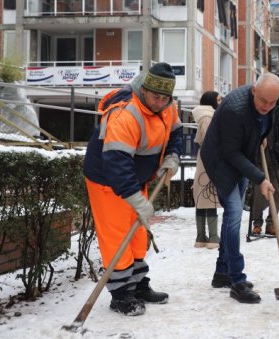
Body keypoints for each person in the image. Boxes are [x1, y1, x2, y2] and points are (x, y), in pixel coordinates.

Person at [83, 62, 182, 316]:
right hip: (107, 180)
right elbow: (116, 163)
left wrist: (172, 156)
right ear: (143, 90)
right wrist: (136, 199)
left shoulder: (168, 106)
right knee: (117, 238)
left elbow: (175, 133)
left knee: (137, 235)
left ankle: (138, 286)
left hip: (136, 179)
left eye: (165, 98)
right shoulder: (125, 114)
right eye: (155, 97)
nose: (160, 103)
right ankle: (121, 294)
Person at [200, 72, 279, 304]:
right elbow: (230, 152)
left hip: (240, 157)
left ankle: (222, 272)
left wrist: (260, 136)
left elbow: (260, 123)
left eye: (272, 102)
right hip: (221, 162)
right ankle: (236, 280)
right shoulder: (234, 110)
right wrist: (260, 178)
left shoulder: (268, 100)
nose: (267, 106)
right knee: (234, 215)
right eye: (263, 101)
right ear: (254, 91)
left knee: (232, 217)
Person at [250, 102, 279, 236]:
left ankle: (271, 223)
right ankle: (257, 223)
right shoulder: (255, 108)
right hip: (259, 158)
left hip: (277, 158)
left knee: (278, 191)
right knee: (258, 192)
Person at [192, 91, 222, 249]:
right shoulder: (208, 117)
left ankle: (202, 236)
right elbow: (209, 140)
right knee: (208, 196)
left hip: (204, 159)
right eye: (218, 99)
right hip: (209, 161)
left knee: (203, 196)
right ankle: (211, 237)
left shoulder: (207, 116)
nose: (220, 101)